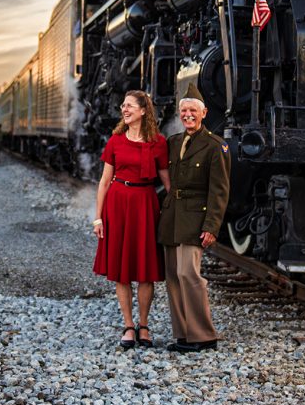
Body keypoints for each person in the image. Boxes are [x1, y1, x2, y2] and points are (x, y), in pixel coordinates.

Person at [93, 90, 170, 349]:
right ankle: (128, 325)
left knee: (145, 270)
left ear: (143, 110)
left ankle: (144, 325)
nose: (124, 110)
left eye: (129, 106)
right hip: (117, 204)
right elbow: (104, 182)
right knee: (122, 271)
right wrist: (97, 218)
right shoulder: (115, 141)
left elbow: (166, 180)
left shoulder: (158, 142)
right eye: (123, 106)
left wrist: (180, 210)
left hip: (146, 204)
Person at [158, 83, 230, 353]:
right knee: (173, 276)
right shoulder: (174, 142)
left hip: (195, 221)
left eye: (193, 111)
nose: (188, 115)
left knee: (190, 274)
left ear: (204, 113)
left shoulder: (215, 146)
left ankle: (203, 335)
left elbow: (219, 191)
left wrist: (211, 226)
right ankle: (184, 334)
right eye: (184, 110)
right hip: (172, 218)